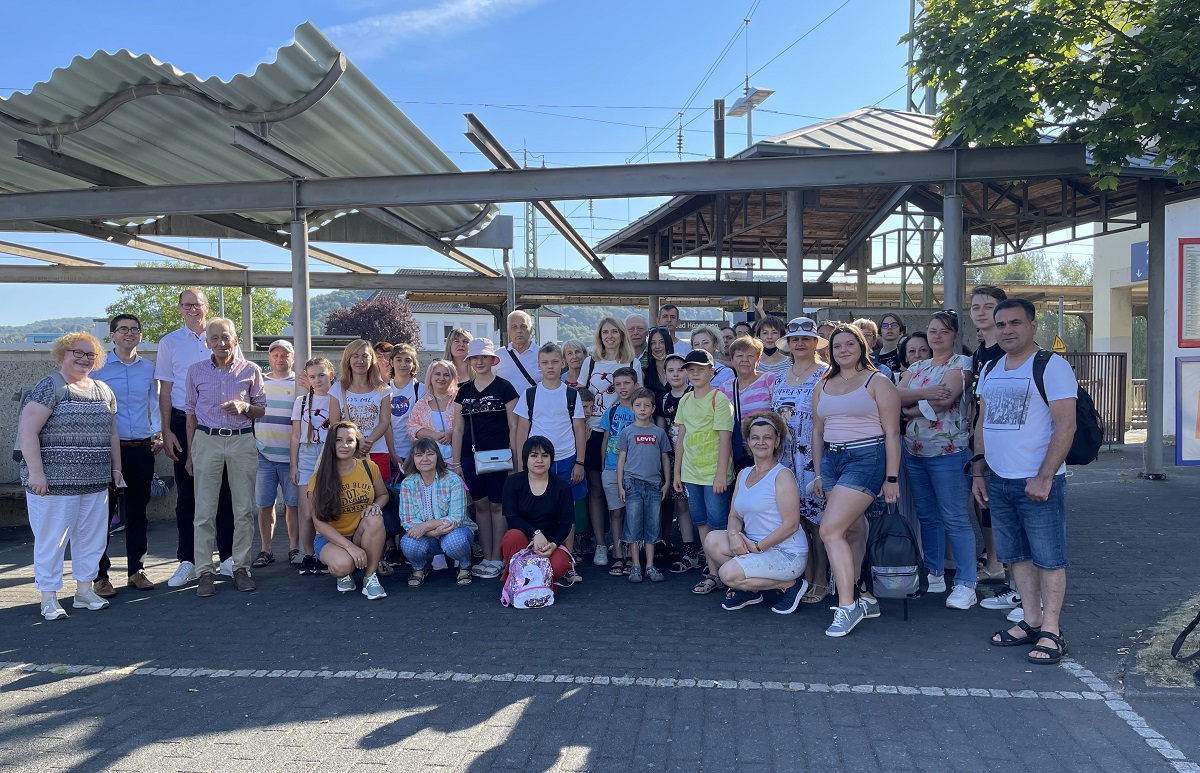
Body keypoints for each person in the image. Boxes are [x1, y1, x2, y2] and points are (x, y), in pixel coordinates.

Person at [973, 298, 1076, 665]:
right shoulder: (992, 368)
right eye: (1001, 325)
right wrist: (979, 472)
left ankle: (1052, 630)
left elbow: (1066, 425)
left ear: (1033, 325)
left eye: (1015, 323)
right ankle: (1031, 620)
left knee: (1048, 558)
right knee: (1016, 556)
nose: (1007, 330)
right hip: (999, 480)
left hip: (1037, 482)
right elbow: (981, 424)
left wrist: (1045, 475)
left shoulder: (1052, 366)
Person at [17, 332, 122, 620]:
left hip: (94, 483)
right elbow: (27, 432)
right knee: (52, 541)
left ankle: (84, 591)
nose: (84, 358)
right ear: (63, 353)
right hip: (53, 485)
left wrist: (116, 469)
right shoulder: (49, 387)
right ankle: (48, 597)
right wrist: (36, 473)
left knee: (91, 540)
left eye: (90, 354)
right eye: (78, 352)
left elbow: (112, 433)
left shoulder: (104, 391)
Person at [812, 323, 901, 637]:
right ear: (830, 351)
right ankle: (866, 597)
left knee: (830, 529)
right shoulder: (823, 383)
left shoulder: (878, 381)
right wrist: (820, 472)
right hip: (833, 461)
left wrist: (891, 478)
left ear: (862, 346)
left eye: (850, 344)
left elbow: (892, 433)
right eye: (837, 346)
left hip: (867, 458)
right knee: (850, 529)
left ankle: (847, 606)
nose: (843, 350)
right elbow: (818, 431)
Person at [155, 288, 235, 588]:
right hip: (181, 421)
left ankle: (227, 558)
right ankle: (188, 560)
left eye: (197, 304)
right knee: (188, 495)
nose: (192, 309)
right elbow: (164, 389)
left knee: (225, 492)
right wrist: (166, 430)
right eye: (186, 305)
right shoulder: (170, 343)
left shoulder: (225, 335)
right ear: (179, 308)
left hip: (221, 423)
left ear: (207, 306)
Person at [897, 311, 977, 609]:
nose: (937, 336)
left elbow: (945, 401)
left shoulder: (962, 364)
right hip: (914, 451)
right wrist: (926, 394)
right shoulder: (917, 365)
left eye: (944, 331)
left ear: (955, 335)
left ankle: (967, 582)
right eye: (932, 331)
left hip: (949, 452)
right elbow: (894, 395)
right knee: (928, 516)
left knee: (954, 517)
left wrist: (911, 408)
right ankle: (934, 572)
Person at [185, 318, 266, 597]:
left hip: (242, 440)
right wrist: (190, 453)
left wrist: (245, 406)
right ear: (207, 342)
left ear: (235, 339)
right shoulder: (195, 371)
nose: (221, 343)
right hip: (206, 440)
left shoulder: (251, 370)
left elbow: (261, 409)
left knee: (244, 509)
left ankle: (240, 567)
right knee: (204, 512)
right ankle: (205, 572)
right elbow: (190, 415)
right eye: (215, 338)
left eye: (226, 337)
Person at [705, 412, 809, 614]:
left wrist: (758, 547)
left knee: (727, 574)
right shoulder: (744, 474)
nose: (761, 442)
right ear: (748, 441)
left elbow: (791, 524)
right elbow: (734, 515)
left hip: (786, 553)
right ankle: (752, 591)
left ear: (777, 441)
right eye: (755, 437)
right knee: (712, 540)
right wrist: (734, 535)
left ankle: (791, 584)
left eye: (767, 437)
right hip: (753, 544)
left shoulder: (782, 476)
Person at [92, 314, 161, 595]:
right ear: (112, 335)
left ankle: (136, 571)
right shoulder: (98, 367)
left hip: (141, 448)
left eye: (135, 329)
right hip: (107, 451)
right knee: (102, 515)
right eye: (123, 329)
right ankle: (100, 576)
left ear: (141, 336)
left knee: (137, 513)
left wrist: (158, 432)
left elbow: (155, 401)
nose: (129, 334)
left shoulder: (149, 368)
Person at [771, 317, 830, 604]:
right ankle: (803, 577)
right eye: (795, 339)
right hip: (785, 461)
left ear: (816, 343)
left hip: (814, 458)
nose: (800, 343)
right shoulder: (780, 376)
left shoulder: (827, 374)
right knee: (795, 523)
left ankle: (822, 577)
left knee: (819, 522)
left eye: (806, 338)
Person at [452, 338, 518, 579]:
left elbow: (514, 425)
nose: (479, 362)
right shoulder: (463, 391)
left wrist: (515, 458)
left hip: (501, 456)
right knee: (480, 505)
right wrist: (456, 463)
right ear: (469, 361)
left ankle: (498, 558)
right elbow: (457, 429)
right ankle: (487, 555)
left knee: (498, 505)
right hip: (471, 457)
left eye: (484, 357)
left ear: (492, 360)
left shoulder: (505, 388)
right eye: (475, 358)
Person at [673, 349, 736, 595]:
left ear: (712, 371)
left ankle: (731, 576)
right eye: (691, 369)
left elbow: (725, 438)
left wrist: (721, 474)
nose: (695, 373)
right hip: (691, 474)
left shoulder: (719, 399)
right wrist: (677, 473)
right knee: (701, 523)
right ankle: (713, 573)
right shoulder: (685, 400)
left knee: (719, 525)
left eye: (701, 368)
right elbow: (681, 439)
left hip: (713, 475)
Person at [580, 316, 641, 567]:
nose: (610, 336)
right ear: (599, 336)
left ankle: (626, 541)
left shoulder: (632, 362)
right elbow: (580, 396)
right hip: (594, 432)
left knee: (626, 489)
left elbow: (640, 400)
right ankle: (602, 545)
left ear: (621, 334)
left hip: (623, 434)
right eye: (605, 332)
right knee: (596, 490)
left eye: (614, 332)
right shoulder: (590, 362)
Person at [308, 421, 389, 600]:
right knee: (343, 566)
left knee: (375, 518)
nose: (344, 445)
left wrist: (375, 506)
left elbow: (383, 494)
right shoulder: (318, 478)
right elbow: (318, 522)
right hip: (331, 539)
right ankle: (345, 572)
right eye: (339, 440)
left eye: (350, 440)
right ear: (331, 443)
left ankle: (370, 577)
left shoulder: (369, 468)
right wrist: (350, 547)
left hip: (361, 532)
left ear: (357, 444)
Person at [968, 285, 1011, 587]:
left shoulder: (1010, 351)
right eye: (975, 306)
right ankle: (994, 558)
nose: (981, 311)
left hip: (1009, 443)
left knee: (1002, 502)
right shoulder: (980, 353)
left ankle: (1002, 565)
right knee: (982, 500)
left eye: (988, 306)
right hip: (981, 441)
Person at [514, 343, 587, 507]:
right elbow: (522, 431)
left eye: (554, 362)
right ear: (539, 365)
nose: (550, 366)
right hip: (537, 460)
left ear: (562, 363)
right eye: (545, 362)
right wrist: (521, 464)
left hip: (567, 458)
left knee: (567, 507)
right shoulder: (529, 394)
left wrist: (580, 462)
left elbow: (579, 429)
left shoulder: (572, 394)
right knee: (539, 506)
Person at [499, 436, 575, 590]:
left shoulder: (562, 486)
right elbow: (512, 518)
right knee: (512, 537)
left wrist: (553, 544)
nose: (539, 460)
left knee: (559, 565)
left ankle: (543, 586)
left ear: (551, 459)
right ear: (525, 459)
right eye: (534, 455)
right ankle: (516, 584)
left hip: (551, 542)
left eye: (545, 455)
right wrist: (535, 533)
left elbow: (566, 523)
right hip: (523, 539)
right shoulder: (512, 482)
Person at [397, 438, 474, 588]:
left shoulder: (452, 479)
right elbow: (407, 519)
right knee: (408, 543)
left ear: (438, 456)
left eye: (430, 454)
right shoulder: (408, 483)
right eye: (419, 455)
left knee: (455, 542)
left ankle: (465, 566)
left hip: (453, 531)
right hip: (428, 536)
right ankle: (419, 569)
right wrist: (432, 532)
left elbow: (457, 517)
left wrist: (426, 526)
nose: (424, 459)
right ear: (413, 458)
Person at [291, 357, 341, 575]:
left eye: (321, 375)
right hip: (307, 454)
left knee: (330, 507)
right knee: (308, 511)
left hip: (330, 454)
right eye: (312, 376)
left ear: (331, 374)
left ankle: (333, 552)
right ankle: (309, 555)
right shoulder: (301, 401)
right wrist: (294, 465)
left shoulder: (337, 398)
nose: (317, 380)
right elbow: (295, 437)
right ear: (307, 379)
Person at [616, 388, 671, 583]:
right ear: (632, 408)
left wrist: (667, 483)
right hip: (632, 483)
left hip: (654, 484)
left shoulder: (659, 433)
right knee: (632, 525)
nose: (642, 409)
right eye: (638, 405)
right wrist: (621, 486)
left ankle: (650, 565)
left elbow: (665, 458)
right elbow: (621, 460)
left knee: (653, 525)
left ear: (653, 408)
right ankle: (635, 565)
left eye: (647, 405)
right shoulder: (627, 432)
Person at [252, 340, 298, 570]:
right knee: (264, 505)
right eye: (276, 354)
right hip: (264, 455)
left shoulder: (301, 383)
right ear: (270, 357)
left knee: (293, 505)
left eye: (285, 355)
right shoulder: (258, 381)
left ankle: (294, 548)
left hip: (292, 458)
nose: (280, 359)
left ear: (293, 358)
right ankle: (266, 549)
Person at [330, 340, 395, 481]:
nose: (360, 360)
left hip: (377, 451)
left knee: (382, 496)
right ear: (348, 359)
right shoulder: (337, 388)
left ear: (372, 359)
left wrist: (368, 442)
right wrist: (356, 442)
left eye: (365, 356)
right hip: (347, 453)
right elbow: (334, 422)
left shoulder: (383, 389)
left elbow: (385, 421)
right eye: (355, 356)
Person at [599, 367, 640, 575]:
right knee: (615, 512)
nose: (622, 388)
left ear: (636, 384)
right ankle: (618, 553)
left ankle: (634, 554)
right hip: (612, 468)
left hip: (635, 469)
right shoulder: (611, 411)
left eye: (626, 383)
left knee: (633, 514)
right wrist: (603, 467)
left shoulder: (641, 410)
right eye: (618, 384)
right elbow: (605, 440)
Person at [657, 354, 696, 572]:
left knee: (698, 505)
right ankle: (689, 552)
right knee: (680, 504)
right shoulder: (663, 400)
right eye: (670, 370)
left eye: (680, 369)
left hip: (697, 457)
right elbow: (662, 434)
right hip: (674, 459)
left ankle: (703, 548)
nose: (676, 374)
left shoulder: (695, 395)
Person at [719, 336, 778, 472]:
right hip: (739, 452)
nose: (744, 360)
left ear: (758, 359)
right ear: (732, 360)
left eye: (750, 356)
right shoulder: (724, 388)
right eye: (739, 355)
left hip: (767, 450)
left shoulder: (769, 380)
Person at [407, 359, 459, 462]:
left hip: (458, 458)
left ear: (452, 378)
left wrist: (452, 433)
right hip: (430, 461)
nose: (441, 378)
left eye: (446, 375)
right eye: (437, 374)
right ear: (430, 377)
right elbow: (411, 427)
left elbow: (470, 424)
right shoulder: (421, 405)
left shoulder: (460, 399)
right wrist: (434, 435)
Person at [386, 343, 422, 469]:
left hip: (416, 453)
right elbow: (385, 424)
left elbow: (422, 424)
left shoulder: (421, 389)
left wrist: (413, 454)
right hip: (390, 452)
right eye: (398, 360)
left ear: (413, 364)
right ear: (391, 362)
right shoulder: (384, 389)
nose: (403, 364)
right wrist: (392, 454)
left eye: (408, 360)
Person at [494, 310, 541, 390]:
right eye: (514, 327)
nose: (519, 331)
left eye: (523, 326)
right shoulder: (498, 355)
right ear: (508, 330)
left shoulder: (541, 354)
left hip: (535, 402)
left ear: (531, 329)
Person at [642, 326, 674, 400]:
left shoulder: (679, 369)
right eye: (653, 343)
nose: (657, 346)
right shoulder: (644, 373)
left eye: (661, 342)